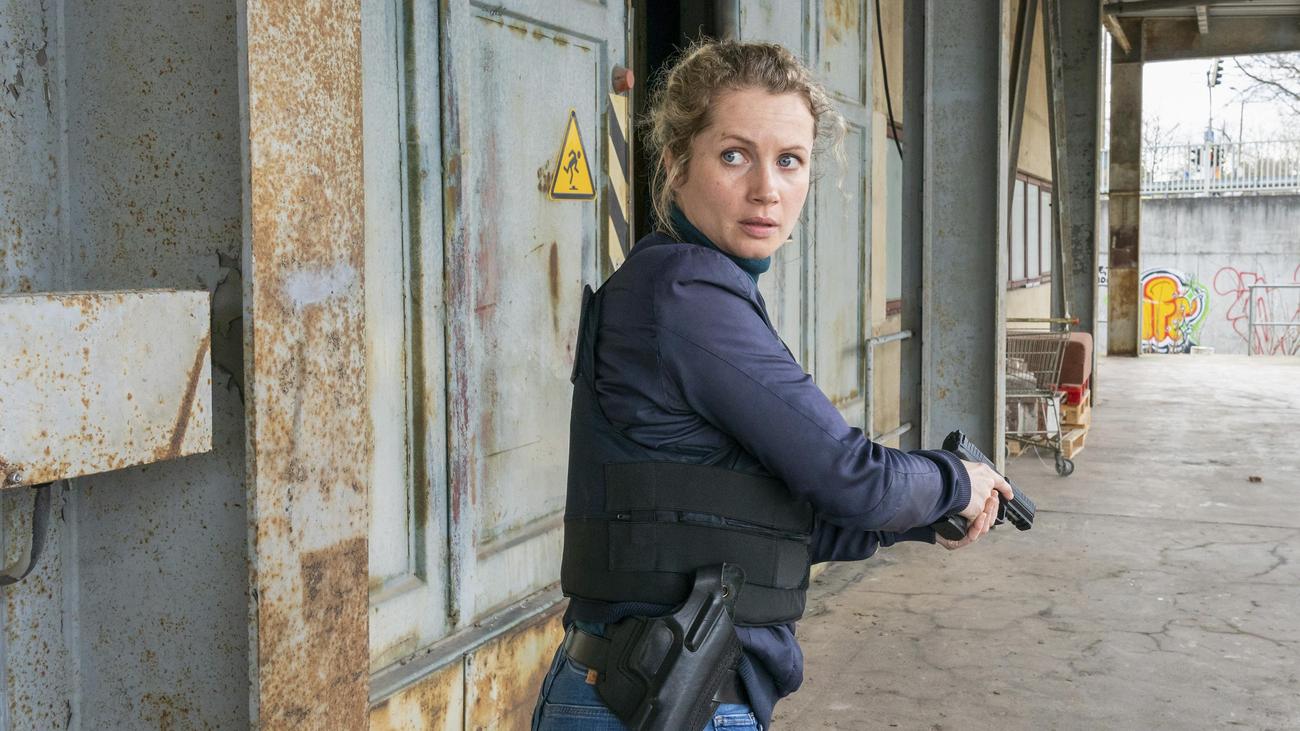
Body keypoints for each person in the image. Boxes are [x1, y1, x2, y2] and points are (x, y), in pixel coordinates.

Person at [532, 39, 1011, 731]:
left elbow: (756, 515)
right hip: (656, 698)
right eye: (734, 155)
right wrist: (955, 480)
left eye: (790, 160)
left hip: (652, 690)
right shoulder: (684, 296)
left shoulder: (687, 286)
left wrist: (924, 516)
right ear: (675, 163)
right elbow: (849, 475)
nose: (767, 189)